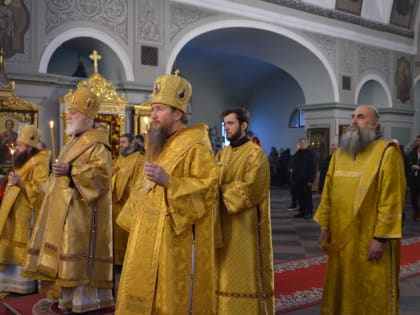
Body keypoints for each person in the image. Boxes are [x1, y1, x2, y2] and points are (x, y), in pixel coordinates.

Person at [115, 72, 219, 315]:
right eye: (152, 109)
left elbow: (208, 186)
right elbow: (145, 183)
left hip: (174, 236)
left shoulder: (195, 145)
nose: (152, 115)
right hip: (146, 230)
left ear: (177, 113)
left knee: (167, 294)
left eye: (159, 109)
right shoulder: (157, 142)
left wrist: (170, 181)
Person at [21, 87, 114, 313]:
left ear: (86, 117)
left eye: (73, 113)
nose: (69, 116)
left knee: (79, 261)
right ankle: (66, 300)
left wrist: (71, 169)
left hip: (83, 214)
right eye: (70, 112)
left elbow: (100, 177)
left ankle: (86, 302)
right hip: (64, 209)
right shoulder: (72, 141)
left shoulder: (98, 144)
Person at [314, 105, 406, 315]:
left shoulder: (387, 153)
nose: (354, 121)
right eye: (353, 117)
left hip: (369, 239)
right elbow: (328, 190)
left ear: (375, 124)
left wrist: (380, 238)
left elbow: (391, 199)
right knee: (343, 285)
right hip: (341, 237)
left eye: (361, 117)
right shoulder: (339, 155)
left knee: (369, 288)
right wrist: (325, 224)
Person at [216, 108, 274, 315]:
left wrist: (219, 192)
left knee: (243, 271)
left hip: (245, 227)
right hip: (222, 222)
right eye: (225, 124)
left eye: (231, 123)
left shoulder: (256, 154)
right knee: (223, 271)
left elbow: (253, 188)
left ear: (243, 125)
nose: (227, 128)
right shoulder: (222, 153)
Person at [0, 125, 49, 297]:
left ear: (29, 148)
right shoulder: (24, 160)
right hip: (14, 211)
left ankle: (22, 286)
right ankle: (7, 283)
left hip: (27, 213)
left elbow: (42, 190)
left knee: (22, 247)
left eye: (20, 146)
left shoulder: (39, 162)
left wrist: (22, 184)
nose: (17, 148)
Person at [112, 133, 144, 265]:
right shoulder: (119, 159)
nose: (121, 145)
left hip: (128, 203)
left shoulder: (140, 159)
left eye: (124, 142)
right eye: (120, 143)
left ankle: (125, 261)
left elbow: (139, 182)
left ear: (132, 144)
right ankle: (115, 260)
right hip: (114, 204)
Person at [292, 138, 317, 219]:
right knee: (300, 196)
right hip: (298, 179)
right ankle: (302, 212)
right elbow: (293, 162)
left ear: (307, 143)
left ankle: (309, 212)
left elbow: (313, 167)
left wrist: (311, 179)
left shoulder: (311, 153)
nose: (301, 144)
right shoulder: (299, 152)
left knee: (307, 197)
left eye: (302, 143)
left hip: (307, 179)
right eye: (300, 143)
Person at [407, 135, 420, 221]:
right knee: (413, 197)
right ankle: (415, 212)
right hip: (413, 179)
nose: (418, 142)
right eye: (417, 141)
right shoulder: (412, 152)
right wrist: (412, 166)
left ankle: (418, 213)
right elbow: (408, 163)